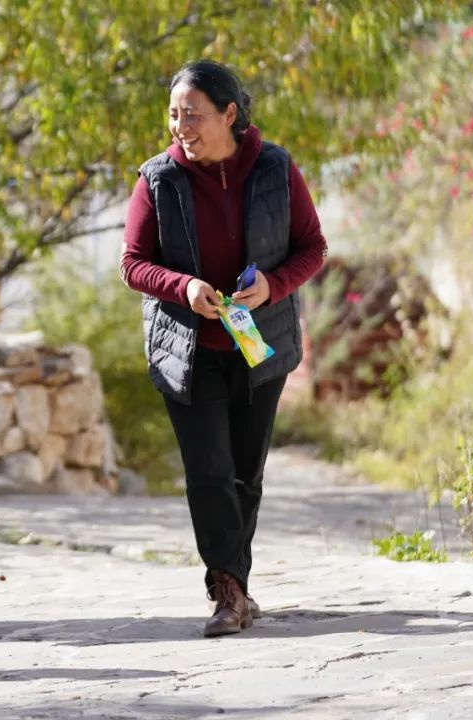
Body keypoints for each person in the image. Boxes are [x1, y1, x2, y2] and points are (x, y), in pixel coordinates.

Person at [120, 60, 326, 637]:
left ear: (229, 114)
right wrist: (184, 287)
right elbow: (132, 263)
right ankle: (226, 590)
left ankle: (238, 578)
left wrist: (273, 286)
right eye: (174, 114)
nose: (180, 125)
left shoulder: (276, 168)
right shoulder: (157, 179)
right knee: (209, 471)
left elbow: (312, 247)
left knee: (245, 473)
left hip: (260, 346)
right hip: (187, 347)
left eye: (194, 114)